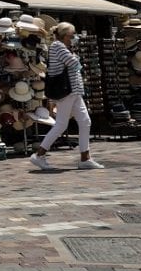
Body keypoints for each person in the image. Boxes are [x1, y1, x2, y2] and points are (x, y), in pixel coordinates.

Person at [29, 22, 103, 171]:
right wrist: (75, 56)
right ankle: (39, 155)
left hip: (73, 91)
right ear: (64, 36)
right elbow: (75, 64)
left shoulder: (62, 47)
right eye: (72, 35)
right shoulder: (58, 46)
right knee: (61, 124)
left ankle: (85, 158)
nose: (74, 38)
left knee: (85, 121)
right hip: (66, 91)